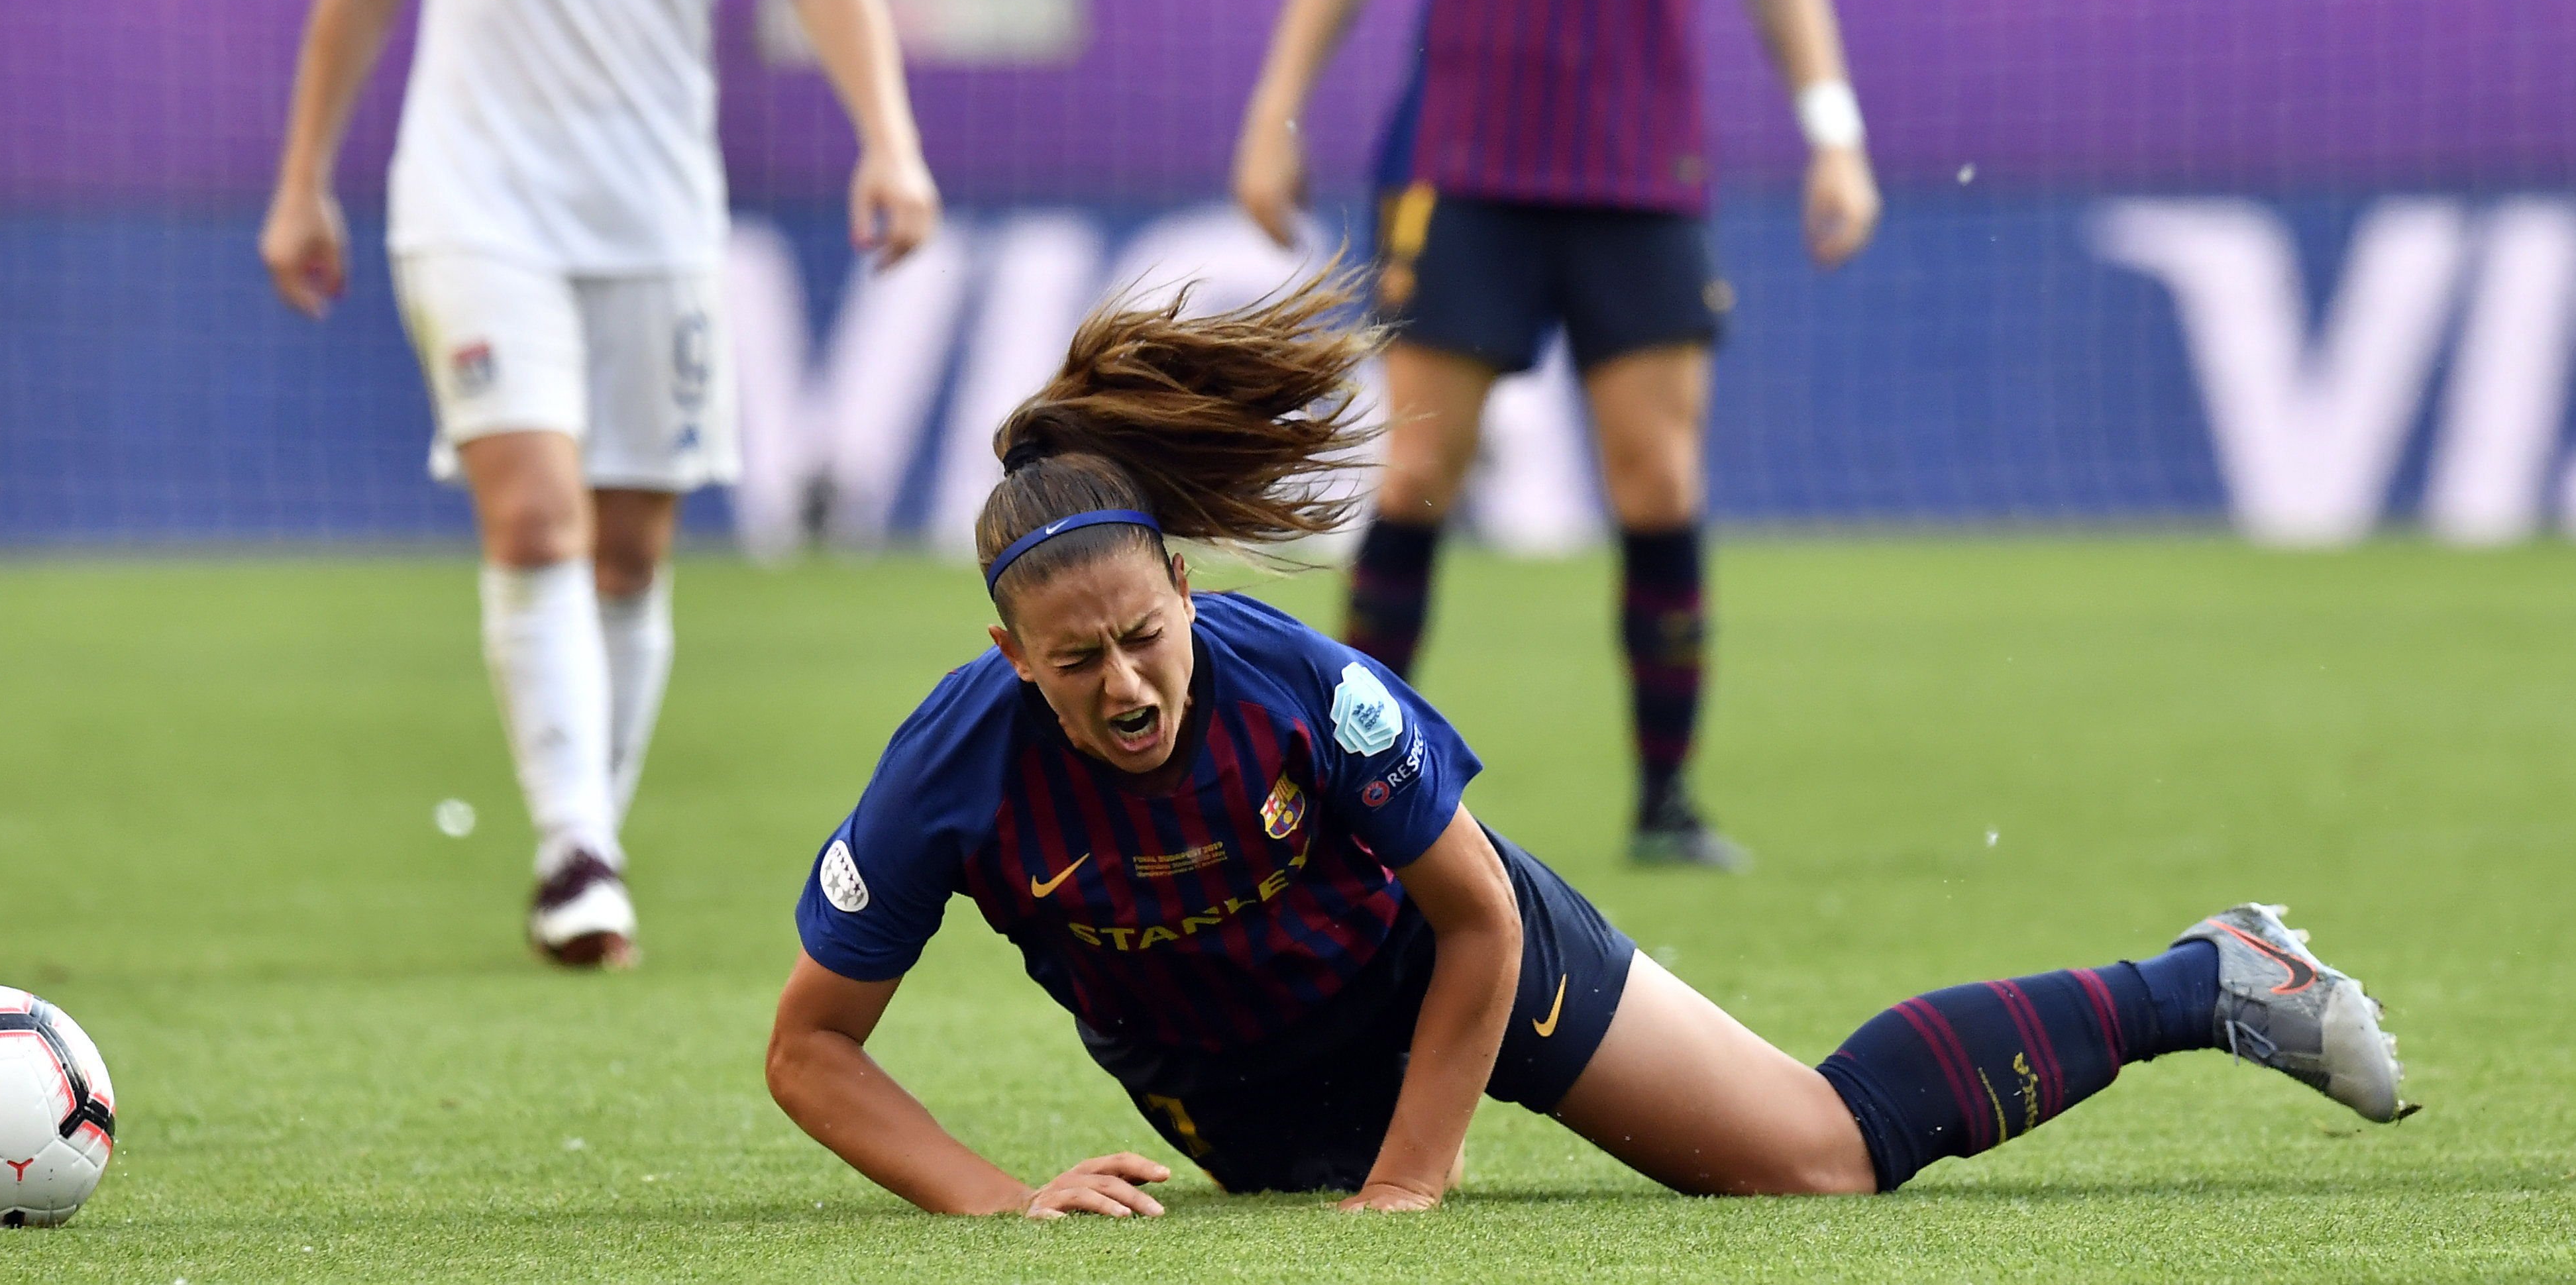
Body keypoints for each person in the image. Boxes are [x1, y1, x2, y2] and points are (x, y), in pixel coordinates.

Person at [763, 276, 2413, 1216]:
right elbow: (810, 1050)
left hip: (1447, 967)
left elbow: (1475, 918)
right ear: (1007, 656)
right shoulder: (949, 770)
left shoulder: (1307, 692)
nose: (1127, 684)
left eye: (1147, 636)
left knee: (1816, 1164)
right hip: (1234, 1096)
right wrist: (999, 1202)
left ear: (1187, 589)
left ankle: (2207, 979)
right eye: (1079, 663)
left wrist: (1416, 1184)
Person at [261, 0, 941, 970]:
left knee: (630, 552)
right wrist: (305, 172)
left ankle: (590, 835)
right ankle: (575, 847)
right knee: (536, 517)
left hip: (652, 210)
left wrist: (887, 139)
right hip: (472, 198)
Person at [1228, 0, 1879, 872]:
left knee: (1656, 476)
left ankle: (1666, 802)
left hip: (1643, 175)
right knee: (1415, 474)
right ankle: (1356, 798)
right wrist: (1276, 102)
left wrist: (1834, 128)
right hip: (1465, 169)